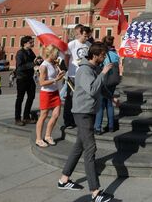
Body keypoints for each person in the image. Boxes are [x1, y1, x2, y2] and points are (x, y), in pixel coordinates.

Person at [57, 42, 121, 202]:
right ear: (95, 55)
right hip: (82, 113)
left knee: (79, 146)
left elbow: (101, 88)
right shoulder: (85, 70)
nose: (104, 58)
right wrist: (103, 73)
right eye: (102, 55)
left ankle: (63, 179)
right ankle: (95, 191)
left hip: (89, 111)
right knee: (90, 149)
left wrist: (111, 97)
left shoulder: (94, 69)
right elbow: (92, 89)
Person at [35, 45, 65, 148]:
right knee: (43, 116)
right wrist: (56, 79)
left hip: (55, 92)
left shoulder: (54, 63)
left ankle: (48, 136)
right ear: (51, 53)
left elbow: (56, 76)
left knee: (56, 114)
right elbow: (42, 82)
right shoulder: (44, 66)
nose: (57, 55)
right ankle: (38, 139)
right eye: (56, 53)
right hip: (46, 93)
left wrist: (60, 73)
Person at [64, 24, 90, 129]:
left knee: (82, 98)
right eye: (85, 36)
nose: (86, 38)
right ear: (80, 34)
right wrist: (67, 68)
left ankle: (78, 120)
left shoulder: (89, 44)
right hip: (73, 75)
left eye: (88, 36)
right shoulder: (72, 44)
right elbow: (66, 57)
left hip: (84, 75)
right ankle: (68, 121)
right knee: (70, 98)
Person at [94, 36, 119, 134]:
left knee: (100, 105)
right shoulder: (115, 53)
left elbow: (99, 66)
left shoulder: (103, 54)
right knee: (109, 103)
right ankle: (111, 126)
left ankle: (97, 128)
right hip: (113, 81)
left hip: (104, 81)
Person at [14, 36, 37, 126]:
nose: (32, 44)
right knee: (20, 99)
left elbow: (35, 61)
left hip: (30, 78)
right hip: (22, 79)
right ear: (25, 43)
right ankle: (17, 118)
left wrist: (38, 61)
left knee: (31, 96)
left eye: (32, 42)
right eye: (31, 42)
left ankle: (26, 117)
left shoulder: (30, 52)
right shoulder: (20, 53)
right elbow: (19, 67)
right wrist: (33, 64)